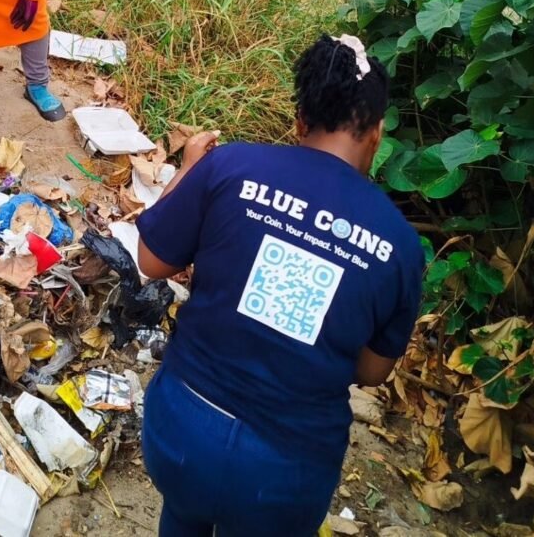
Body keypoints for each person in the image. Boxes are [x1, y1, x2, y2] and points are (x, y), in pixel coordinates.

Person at [136, 34, 424, 537]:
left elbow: (151, 260)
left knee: (183, 514)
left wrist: (187, 170)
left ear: (300, 121)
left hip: (180, 436)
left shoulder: (229, 168)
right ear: (376, 134)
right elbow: (373, 372)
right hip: (285, 477)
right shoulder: (400, 245)